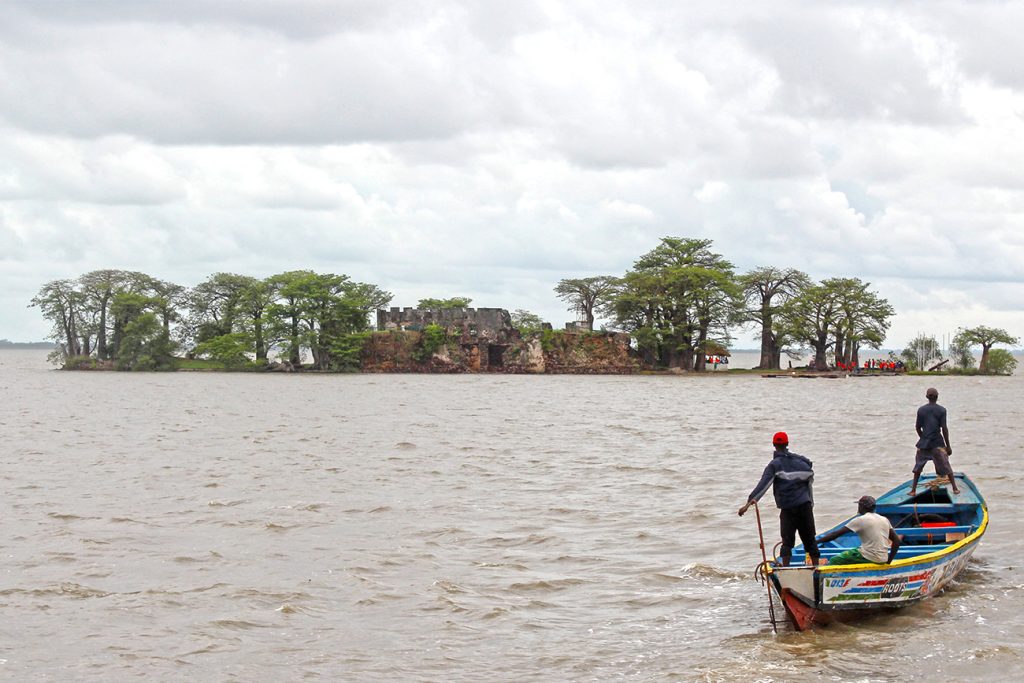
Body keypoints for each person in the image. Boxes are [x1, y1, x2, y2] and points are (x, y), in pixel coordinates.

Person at [738, 432, 820, 566]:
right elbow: (809, 483)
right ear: (787, 444)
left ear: (774, 445)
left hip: (788, 509)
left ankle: (785, 569)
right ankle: (815, 568)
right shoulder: (802, 464)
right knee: (810, 540)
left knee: (787, 542)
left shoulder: (774, 465)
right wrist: (811, 503)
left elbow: (763, 484)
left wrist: (748, 503)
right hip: (805, 507)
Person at [817, 496, 901, 565]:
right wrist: (888, 562)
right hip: (883, 558)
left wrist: (816, 542)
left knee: (835, 560)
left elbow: (835, 534)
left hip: (870, 556)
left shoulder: (860, 520)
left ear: (861, 507)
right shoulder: (884, 519)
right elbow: (896, 540)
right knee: (857, 549)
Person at [911, 387, 959, 495]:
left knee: (918, 468)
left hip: (924, 444)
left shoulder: (921, 410)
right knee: (947, 467)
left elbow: (918, 427)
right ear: (937, 397)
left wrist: (923, 438)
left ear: (927, 397)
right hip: (937, 444)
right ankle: (955, 488)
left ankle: (913, 490)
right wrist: (948, 446)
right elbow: (944, 428)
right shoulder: (941, 410)